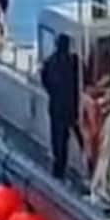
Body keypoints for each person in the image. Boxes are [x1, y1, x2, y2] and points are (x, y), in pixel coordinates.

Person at [40, 35, 81, 180]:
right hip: (72, 106)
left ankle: (59, 171)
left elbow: (45, 82)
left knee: (58, 141)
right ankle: (88, 165)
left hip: (57, 106)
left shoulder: (49, 62)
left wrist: (54, 93)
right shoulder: (74, 62)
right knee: (79, 136)